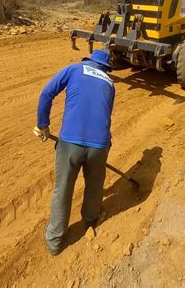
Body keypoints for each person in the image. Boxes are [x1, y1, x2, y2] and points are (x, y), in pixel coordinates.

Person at [33, 49, 115, 255]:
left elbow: (46, 94)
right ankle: (90, 220)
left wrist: (43, 125)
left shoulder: (74, 69)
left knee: (63, 189)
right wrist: (105, 147)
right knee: (95, 186)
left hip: (70, 142)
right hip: (100, 145)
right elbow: (106, 115)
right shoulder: (110, 83)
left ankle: (55, 241)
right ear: (105, 69)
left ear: (89, 60)